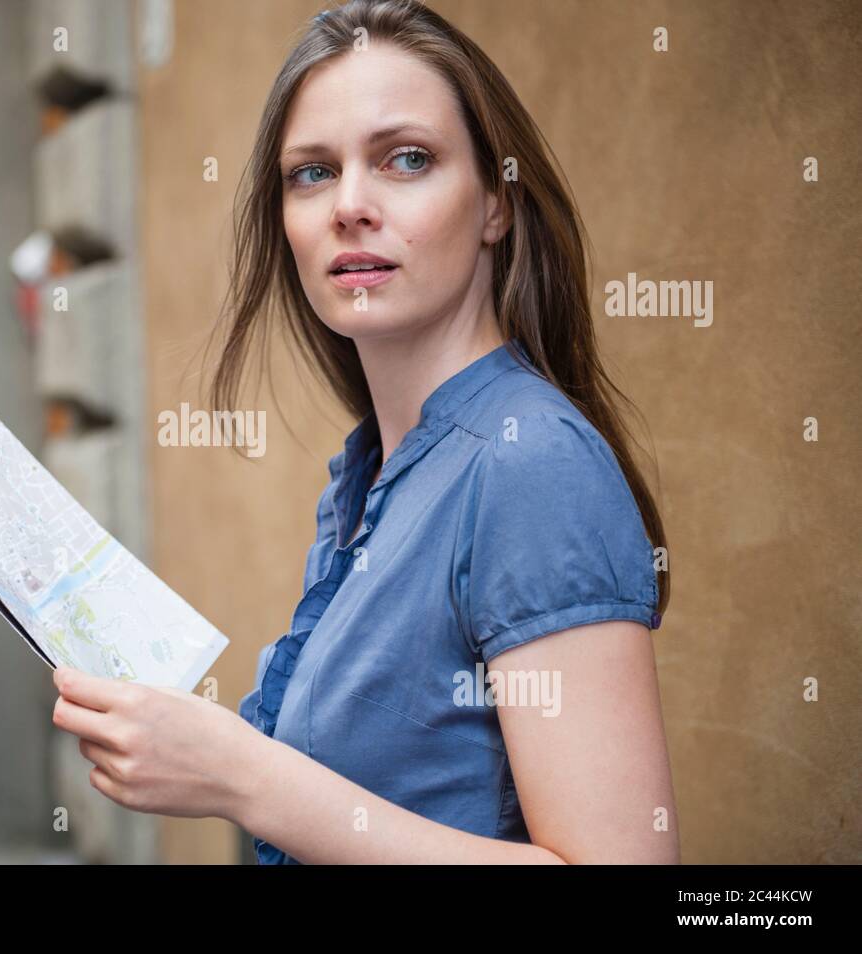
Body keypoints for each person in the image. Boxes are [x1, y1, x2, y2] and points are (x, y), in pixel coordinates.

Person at [52, 0, 679, 864]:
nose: (350, 204)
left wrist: (244, 778)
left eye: (407, 160)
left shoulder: (527, 462)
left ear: (497, 201)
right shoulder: (369, 474)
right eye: (311, 173)